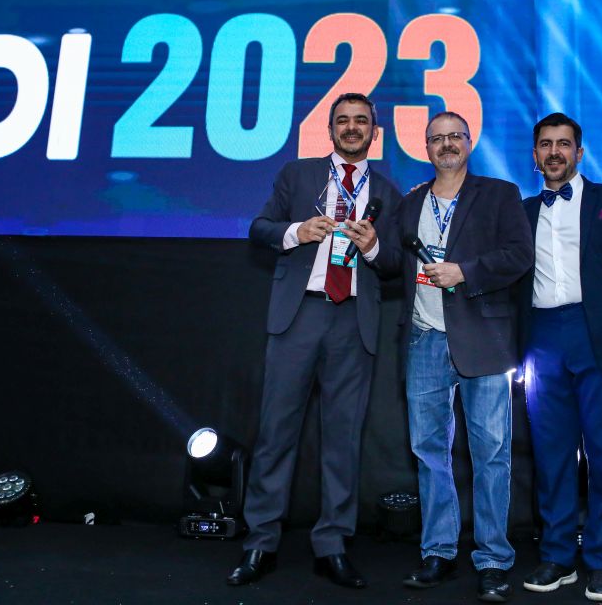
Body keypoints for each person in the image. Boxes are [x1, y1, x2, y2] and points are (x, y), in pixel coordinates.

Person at [227, 93, 402, 589]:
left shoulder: (387, 191)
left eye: (361, 121)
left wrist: (373, 248)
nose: (352, 128)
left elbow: (395, 265)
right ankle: (261, 542)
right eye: (343, 121)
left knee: (343, 440)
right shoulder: (297, 175)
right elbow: (259, 228)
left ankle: (332, 545)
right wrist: (297, 231)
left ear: (374, 132)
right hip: (299, 314)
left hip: (354, 320)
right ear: (330, 130)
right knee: (276, 432)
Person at [517, 113, 602, 602]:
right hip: (541, 339)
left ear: (579, 152)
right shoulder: (521, 211)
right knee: (551, 455)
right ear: (535, 156)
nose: (554, 152)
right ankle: (557, 555)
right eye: (545, 144)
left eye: (563, 144)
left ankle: (601, 560)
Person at [396, 112, 534, 602]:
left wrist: (465, 272)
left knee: (492, 453)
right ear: (426, 148)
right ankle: (438, 551)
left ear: (469, 142)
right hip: (424, 338)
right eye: (437, 138)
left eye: (455, 136)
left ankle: (493, 559)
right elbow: (394, 264)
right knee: (429, 452)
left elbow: (520, 255)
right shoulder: (411, 202)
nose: (447, 144)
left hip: (484, 340)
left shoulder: (499, 194)